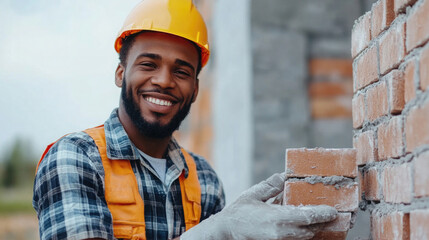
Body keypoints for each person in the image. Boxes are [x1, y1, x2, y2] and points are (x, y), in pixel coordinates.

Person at [33, 0, 338, 239]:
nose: (164, 81)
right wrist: (218, 232)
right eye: (148, 64)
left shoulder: (203, 179)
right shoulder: (74, 158)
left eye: (181, 71)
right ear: (121, 73)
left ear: (195, 89)